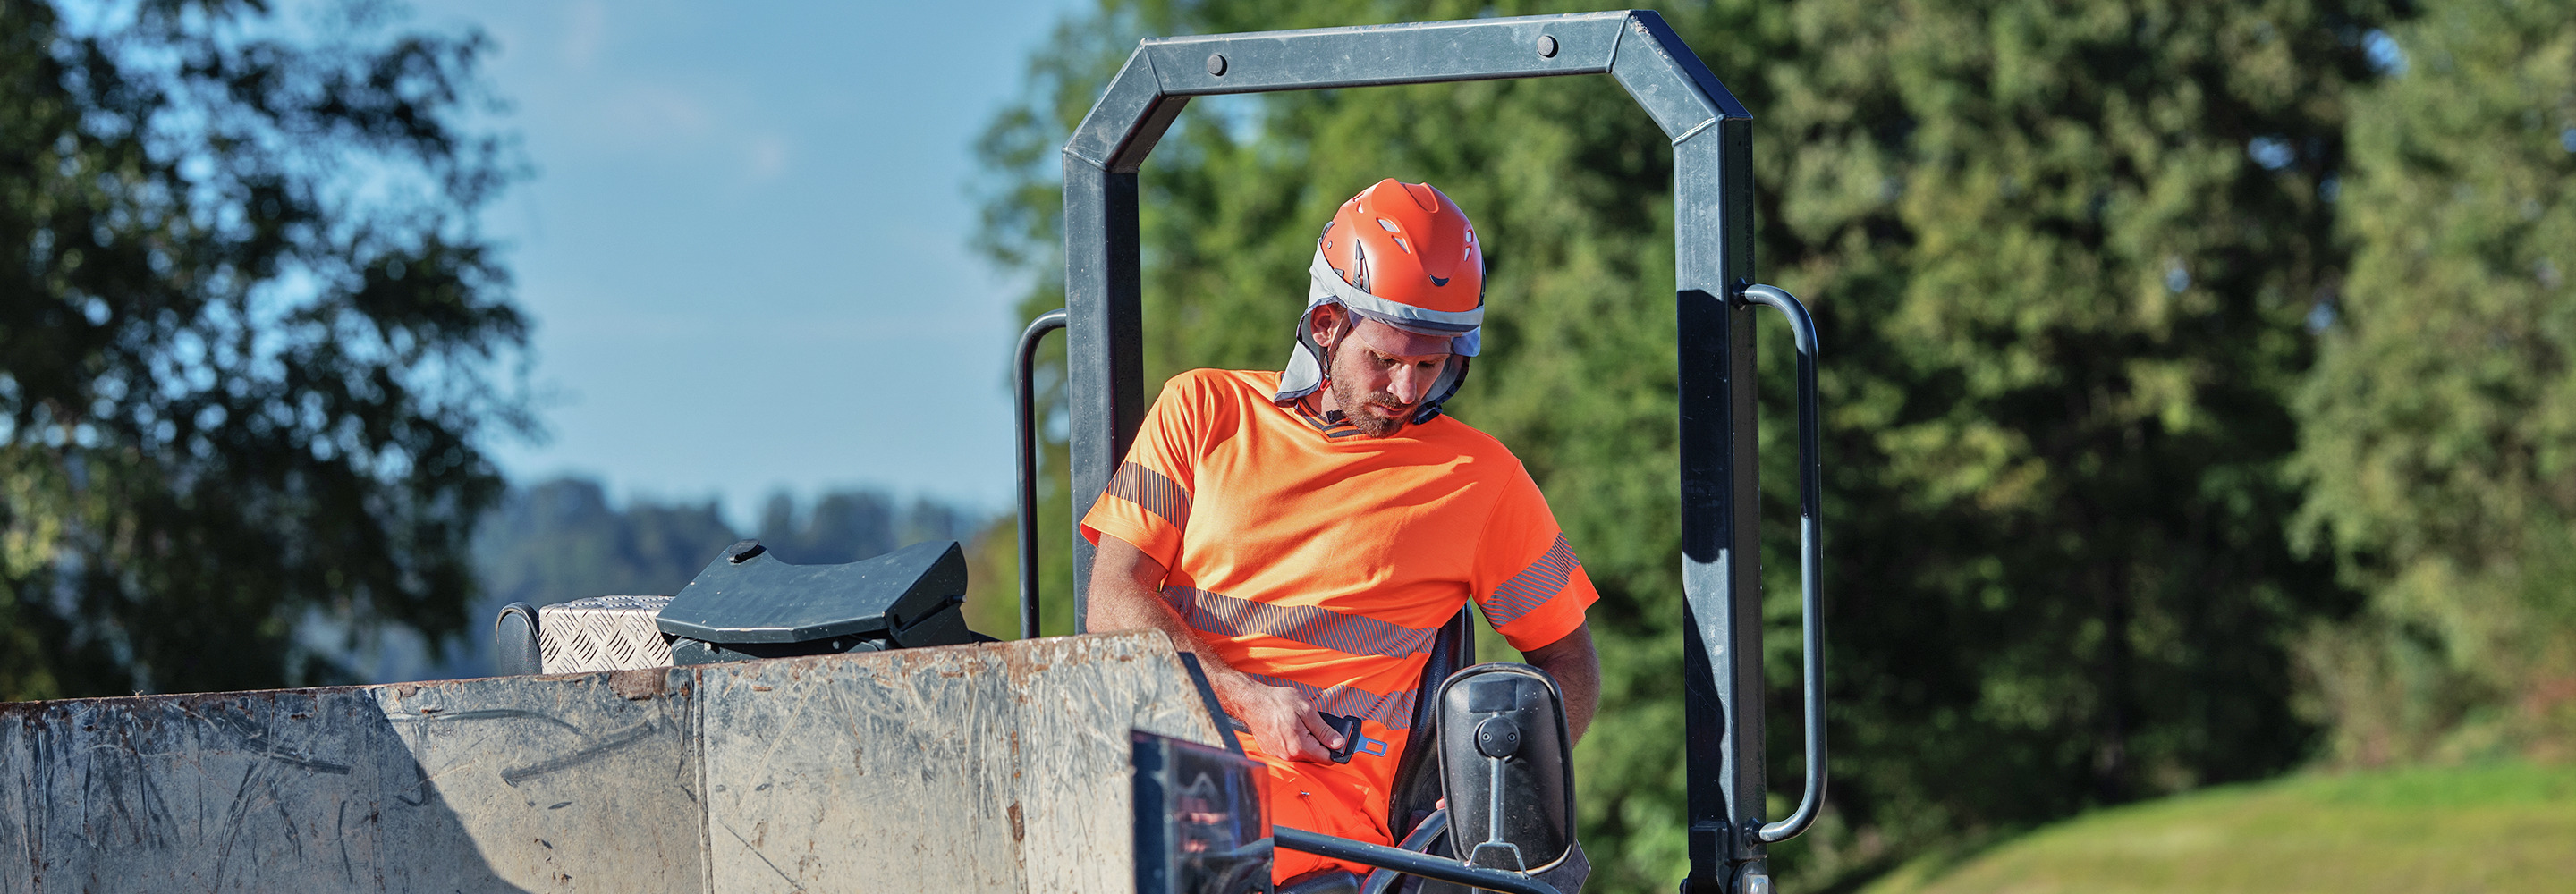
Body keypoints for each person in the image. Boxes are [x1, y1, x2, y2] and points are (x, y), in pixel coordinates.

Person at [1083, 178, 1601, 884]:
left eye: (1431, 365)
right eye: (1385, 360)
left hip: (1315, 811)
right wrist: (1244, 696)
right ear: (1326, 324)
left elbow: (1571, 661)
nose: (1407, 390)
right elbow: (1112, 599)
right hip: (1157, 763)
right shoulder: (1200, 409)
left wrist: (1499, 792)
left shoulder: (1483, 479)